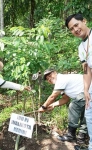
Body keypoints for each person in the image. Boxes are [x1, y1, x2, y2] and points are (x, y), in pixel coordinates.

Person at [38, 68, 89, 145]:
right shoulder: (60, 83)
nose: (49, 78)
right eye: (47, 78)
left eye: (50, 75)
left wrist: (43, 107)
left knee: (74, 106)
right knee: (85, 114)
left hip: (88, 90)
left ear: (55, 72)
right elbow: (65, 99)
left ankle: (71, 135)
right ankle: (81, 138)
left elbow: (53, 96)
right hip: (86, 93)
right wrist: (53, 105)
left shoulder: (61, 79)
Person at [65, 13, 92, 150]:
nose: (75, 29)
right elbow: (86, 70)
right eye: (71, 28)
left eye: (76, 24)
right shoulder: (81, 47)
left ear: (84, 21)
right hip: (91, 87)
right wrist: (86, 90)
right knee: (89, 115)